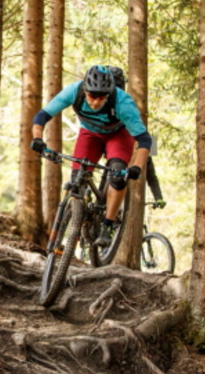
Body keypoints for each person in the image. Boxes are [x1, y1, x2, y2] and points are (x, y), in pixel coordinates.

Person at [30, 65, 152, 245]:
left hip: (119, 135)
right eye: (92, 96)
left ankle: (107, 225)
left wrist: (136, 167)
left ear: (109, 94)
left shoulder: (123, 102)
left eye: (101, 97)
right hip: (90, 134)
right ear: (85, 90)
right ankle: (75, 224)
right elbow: (42, 116)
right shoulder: (74, 91)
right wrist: (38, 139)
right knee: (76, 178)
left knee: (118, 175)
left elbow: (144, 140)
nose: (95, 102)